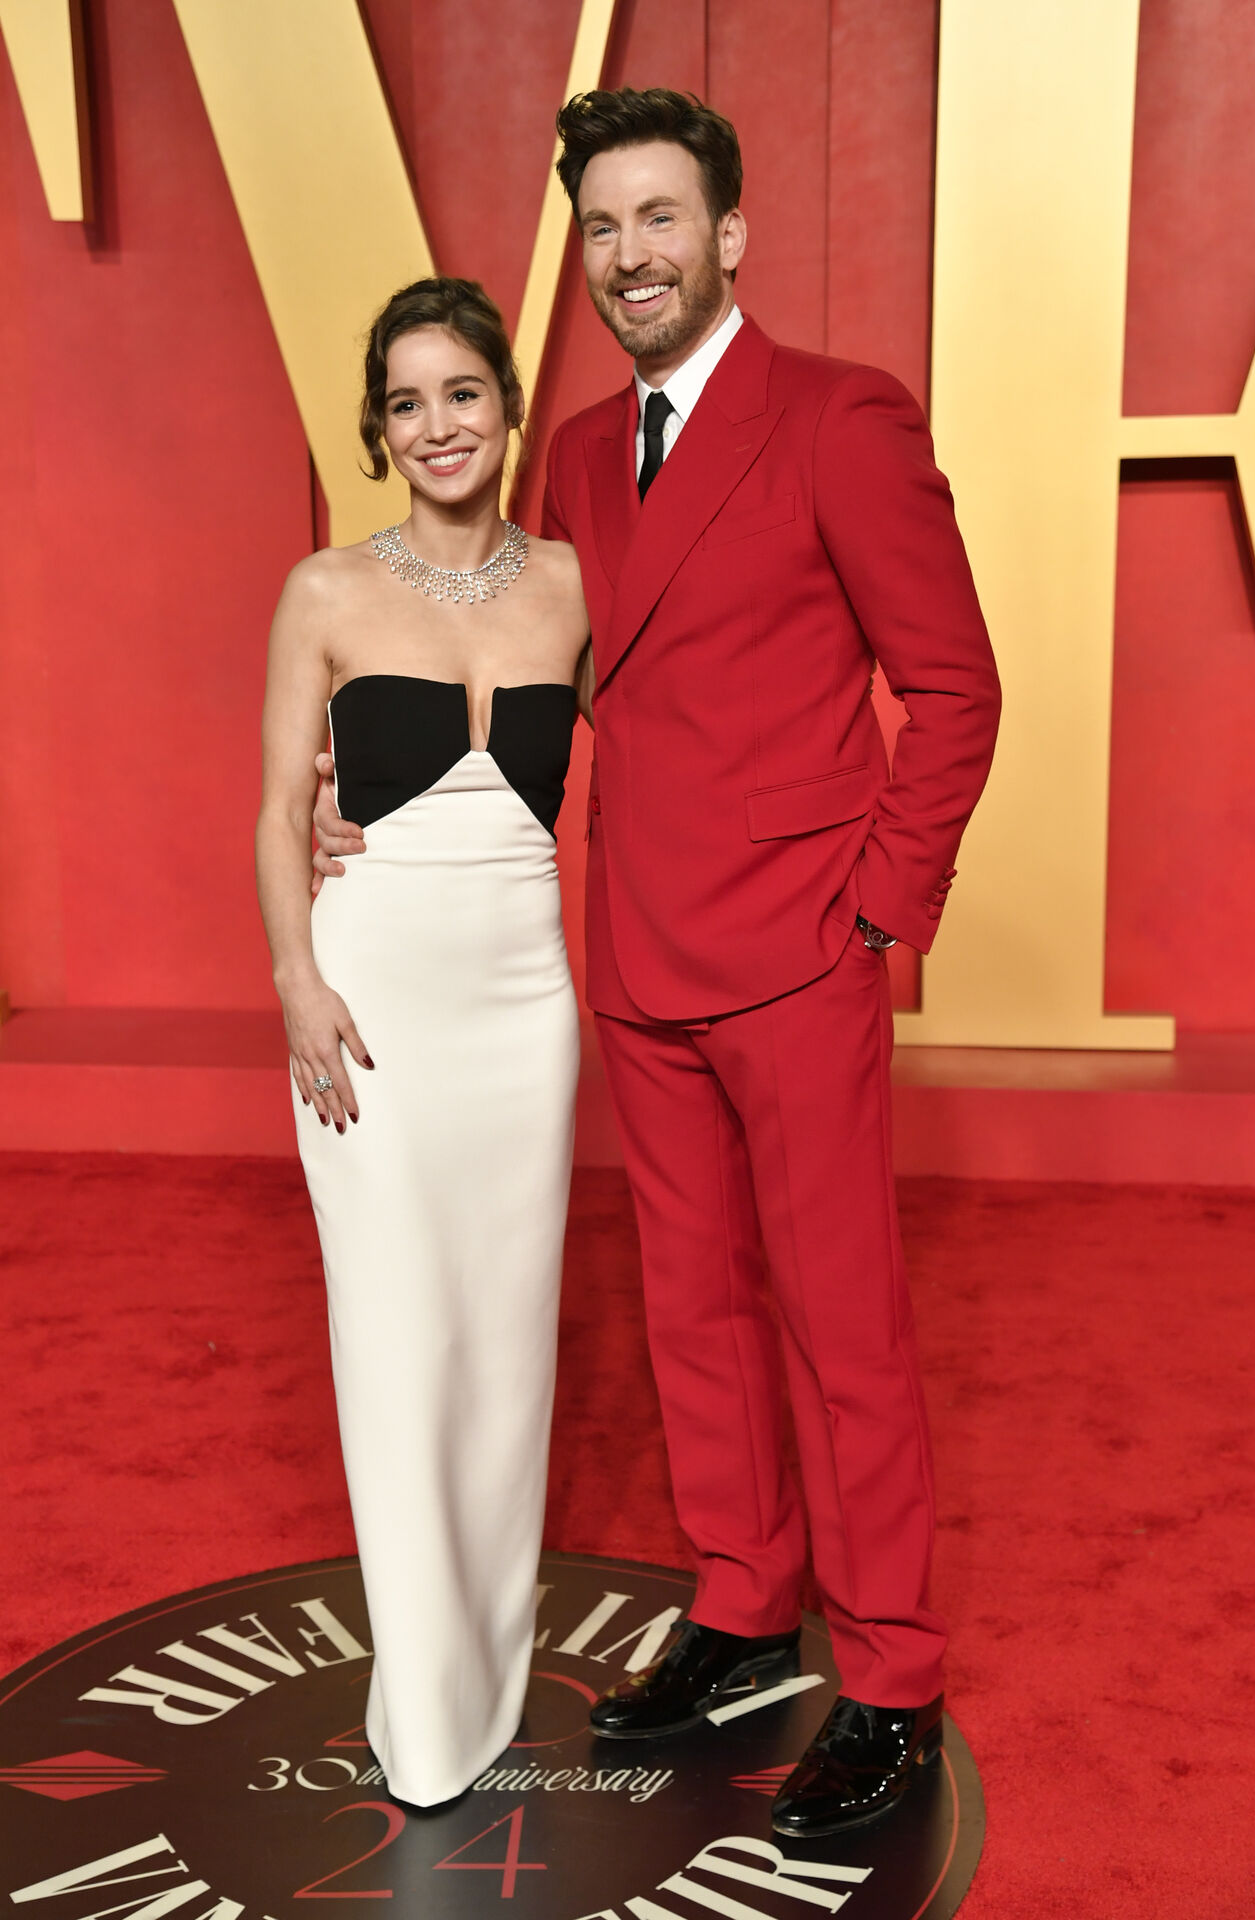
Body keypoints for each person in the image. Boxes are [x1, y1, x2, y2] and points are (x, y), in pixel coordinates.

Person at [315, 89, 1000, 1836]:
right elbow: (500, 673)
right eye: (604, 227)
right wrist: (348, 796)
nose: (631, 255)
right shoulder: (566, 463)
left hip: (797, 952)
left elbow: (956, 689)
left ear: (729, 236)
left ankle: (897, 1675)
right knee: (691, 1311)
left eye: (661, 219)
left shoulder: (841, 419)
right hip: (629, 949)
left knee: (842, 1323)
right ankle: (744, 1602)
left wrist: (876, 915)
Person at [255, 277, 590, 1809]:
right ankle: (426, 1707)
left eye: (463, 392)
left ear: (505, 406)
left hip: (525, 1011)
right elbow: (276, 811)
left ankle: (488, 1676)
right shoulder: (324, 591)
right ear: (377, 426)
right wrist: (295, 981)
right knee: (398, 1344)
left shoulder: (574, 585)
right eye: (407, 400)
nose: (437, 425)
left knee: (508, 1351)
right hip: (370, 1006)